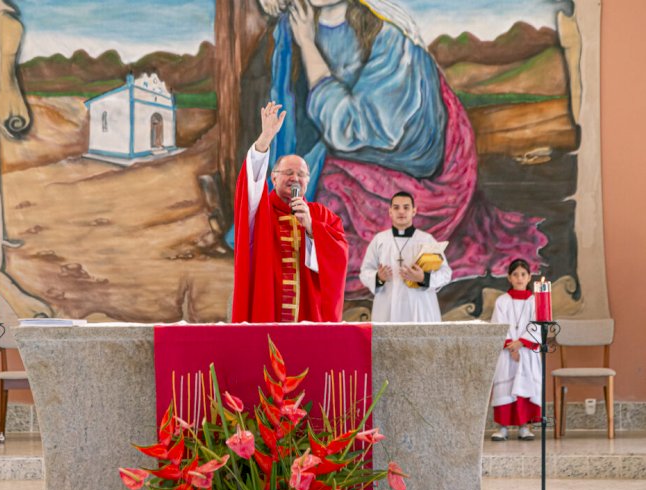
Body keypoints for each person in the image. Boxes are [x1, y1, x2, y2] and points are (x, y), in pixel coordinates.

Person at [258, 0, 548, 297]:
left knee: (324, 215)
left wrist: (306, 43)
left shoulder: (391, 39)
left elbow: (351, 129)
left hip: (417, 174)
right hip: (362, 151)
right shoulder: (301, 19)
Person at [232, 102, 348, 323]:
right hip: (267, 311)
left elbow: (338, 260)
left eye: (301, 174)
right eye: (288, 172)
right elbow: (249, 187)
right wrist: (264, 140)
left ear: (308, 181)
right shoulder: (260, 211)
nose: (295, 178)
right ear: (273, 178)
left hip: (307, 316)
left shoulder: (323, 217)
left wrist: (313, 229)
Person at [358, 191, 451, 322]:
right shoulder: (380, 240)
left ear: (414, 211)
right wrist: (378, 278)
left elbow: (446, 273)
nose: (401, 212)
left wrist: (423, 278)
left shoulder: (426, 240)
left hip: (420, 308)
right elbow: (365, 272)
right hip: (387, 308)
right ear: (390, 212)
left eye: (406, 207)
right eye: (396, 208)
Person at [490, 258, 542, 441]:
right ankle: (502, 428)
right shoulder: (502, 301)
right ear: (509, 277)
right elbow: (498, 326)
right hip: (507, 353)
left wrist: (521, 343)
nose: (519, 278)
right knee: (505, 388)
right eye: (515, 274)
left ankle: (524, 427)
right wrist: (511, 347)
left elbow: (538, 325)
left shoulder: (536, 301)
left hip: (527, 352)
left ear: (529, 277)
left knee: (525, 388)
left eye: (523, 274)